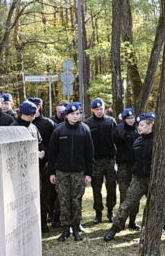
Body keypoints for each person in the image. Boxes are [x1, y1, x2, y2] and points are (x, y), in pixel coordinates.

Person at [103, 112, 165, 244]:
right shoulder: (137, 141)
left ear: (151, 125)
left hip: (155, 179)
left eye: (142, 125)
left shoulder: (159, 141)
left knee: (162, 206)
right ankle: (114, 229)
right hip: (138, 179)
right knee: (127, 205)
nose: (139, 127)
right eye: (139, 125)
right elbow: (134, 160)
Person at [48, 102, 94, 242]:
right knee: (63, 200)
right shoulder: (58, 130)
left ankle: (76, 228)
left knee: (76, 200)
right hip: (61, 172)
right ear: (66, 115)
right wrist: (52, 172)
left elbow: (89, 154)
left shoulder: (85, 129)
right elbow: (52, 153)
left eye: (78, 114)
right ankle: (65, 229)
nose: (76, 116)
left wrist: (88, 174)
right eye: (72, 114)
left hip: (78, 172)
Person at [84, 98, 118, 224]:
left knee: (111, 187)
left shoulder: (111, 121)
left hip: (110, 160)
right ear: (92, 110)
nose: (99, 111)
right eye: (97, 109)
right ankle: (98, 213)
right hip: (95, 162)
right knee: (96, 189)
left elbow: (116, 140)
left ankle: (110, 211)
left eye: (101, 109)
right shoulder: (87, 123)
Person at [28, 97, 58, 233]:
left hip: (44, 166)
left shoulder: (48, 124)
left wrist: (49, 163)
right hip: (28, 167)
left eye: (35, 105)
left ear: (39, 107)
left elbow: (53, 146)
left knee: (45, 195)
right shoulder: (22, 124)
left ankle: (44, 222)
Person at [113, 108, 140, 230]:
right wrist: (122, 124)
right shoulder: (120, 129)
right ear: (123, 119)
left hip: (136, 166)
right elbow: (118, 136)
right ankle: (121, 221)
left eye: (132, 118)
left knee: (135, 195)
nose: (131, 120)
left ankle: (132, 221)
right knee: (124, 195)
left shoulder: (138, 129)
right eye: (128, 118)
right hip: (124, 166)